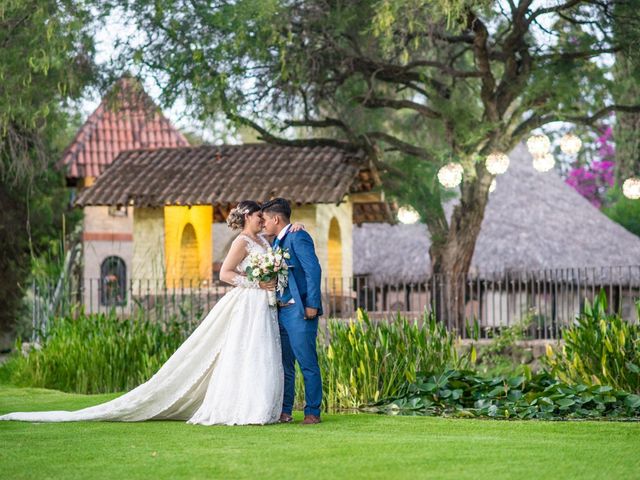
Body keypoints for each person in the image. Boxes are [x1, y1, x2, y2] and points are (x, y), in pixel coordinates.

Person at [0, 201, 303, 426]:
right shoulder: (242, 241)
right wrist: (255, 282)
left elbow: (283, 242)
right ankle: (242, 408)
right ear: (249, 216)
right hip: (249, 301)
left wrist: (295, 231)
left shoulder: (266, 240)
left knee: (264, 352)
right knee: (245, 352)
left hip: (264, 305)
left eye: (265, 216)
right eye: (259, 215)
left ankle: (264, 407)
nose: (263, 218)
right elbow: (225, 273)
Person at [261, 198, 323, 425]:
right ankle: (285, 411)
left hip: (299, 311)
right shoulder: (277, 242)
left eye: (265, 220)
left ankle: (312, 412)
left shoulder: (298, 236)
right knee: (285, 365)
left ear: (276, 219)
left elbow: (313, 270)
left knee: (307, 362)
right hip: (280, 311)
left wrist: (312, 304)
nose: (263, 224)